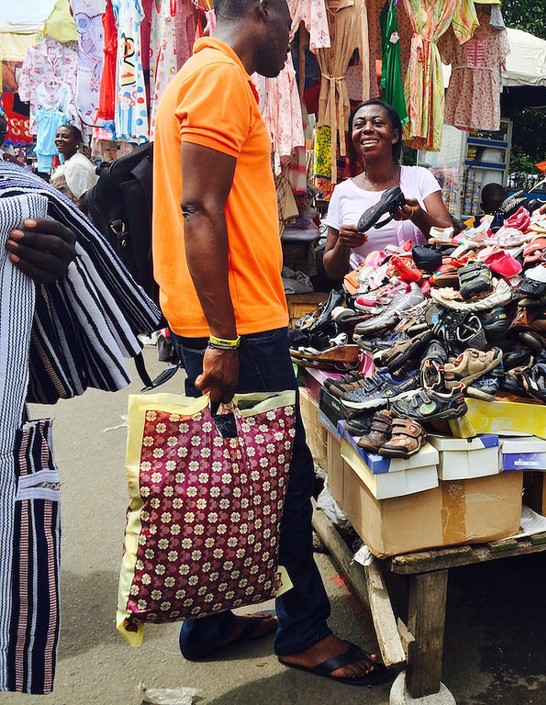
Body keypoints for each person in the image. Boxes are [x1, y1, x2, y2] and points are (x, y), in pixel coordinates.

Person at [151, 0, 389, 686]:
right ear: (259, 10)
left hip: (221, 320)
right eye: (293, 24)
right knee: (283, 483)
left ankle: (211, 619)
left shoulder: (197, 76)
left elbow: (195, 205)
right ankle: (305, 630)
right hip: (236, 326)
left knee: (230, 479)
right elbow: (198, 208)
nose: (297, 40)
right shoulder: (219, 79)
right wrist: (223, 336)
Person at [321, 99, 451, 278]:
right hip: (365, 297)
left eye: (377, 123)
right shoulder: (343, 192)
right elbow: (331, 269)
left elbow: (448, 238)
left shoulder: (420, 178)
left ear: (395, 135)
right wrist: (343, 244)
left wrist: (418, 215)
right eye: (359, 125)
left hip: (419, 294)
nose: (367, 129)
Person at [50, 124, 98, 211]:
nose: (59, 139)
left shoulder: (77, 165)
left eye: (65, 136)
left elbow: (84, 200)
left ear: (77, 142)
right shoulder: (70, 162)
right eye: (57, 136)